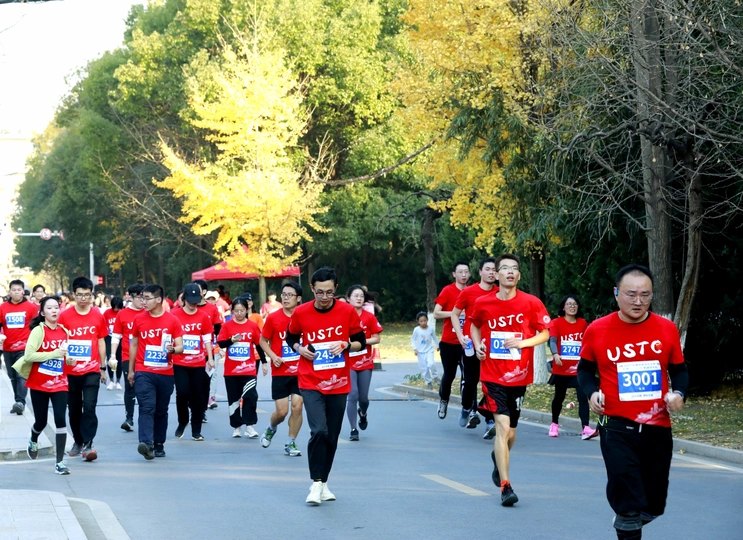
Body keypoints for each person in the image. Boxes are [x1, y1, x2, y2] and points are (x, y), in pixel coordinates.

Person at [577, 264, 687, 540]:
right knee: (628, 500)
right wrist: (592, 393)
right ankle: (626, 519)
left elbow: (679, 370)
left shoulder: (667, 329)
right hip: (616, 427)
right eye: (631, 294)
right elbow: (584, 370)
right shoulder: (597, 329)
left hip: (657, 428)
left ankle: (630, 518)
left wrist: (679, 394)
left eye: (645, 295)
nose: (638, 301)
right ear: (616, 293)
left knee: (653, 503)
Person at [470, 254, 551, 506]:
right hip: (492, 374)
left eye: (514, 268)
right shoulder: (483, 302)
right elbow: (474, 325)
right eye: (504, 268)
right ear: (496, 274)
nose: (510, 272)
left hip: (518, 376)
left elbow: (545, 333)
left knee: (512, 434)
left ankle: (499, 458)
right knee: (503, 428)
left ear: (519, 275)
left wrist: (522, 343)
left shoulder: (531, 302)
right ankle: (506, 486)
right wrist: (477, 346)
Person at [285, 267, 366, 505]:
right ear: (312, 289)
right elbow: (291, 337)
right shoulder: (301, 312)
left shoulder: (347, 311)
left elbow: (361, 341)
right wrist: (300, 349)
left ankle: (323, 482)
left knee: (331, 435)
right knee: (319, 430)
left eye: (329, 292)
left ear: (336, 289)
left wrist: (346, 345)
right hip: (310, 380)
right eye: (319, 292)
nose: (324, 297)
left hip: (338, 383)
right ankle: (316, 482)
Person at [13, 296, 70, 474]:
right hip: (39, 384)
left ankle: (60, 462)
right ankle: (34, 437)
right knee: (41, 421)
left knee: (60, 419)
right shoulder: (38, 331)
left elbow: (65, 356)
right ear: (43, 312)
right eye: (50, 308)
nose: (54, 311)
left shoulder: (64, 331)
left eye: (56, 307)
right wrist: (53, 353)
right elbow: (29, 356)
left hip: (60, 383)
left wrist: (71, 360)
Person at [127, 284, 184, 460]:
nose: (143, 302)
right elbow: (134, 344)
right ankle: (146, 443)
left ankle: (159, 443)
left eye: (147, 298)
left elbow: (181, 346)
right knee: (146, 406)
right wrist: (131, 370)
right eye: (142, 298)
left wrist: (173, 349)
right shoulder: (139, 319)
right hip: (144, 370)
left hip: (165, 372)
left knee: (161, 410)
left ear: (159, 299)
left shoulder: (172, 320)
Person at [59, 276, 108, 462]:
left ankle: (88, 443)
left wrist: (102, 367)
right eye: (79, 295)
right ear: (74, 294)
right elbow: (59, 341)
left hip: (91, 370)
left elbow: (101, 341)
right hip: (70, 371)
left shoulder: (97, 315)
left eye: (87, 295)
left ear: (92, 295)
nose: (83, 298)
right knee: (74, 409)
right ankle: (78, 441)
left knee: (89, 407)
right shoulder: (64, 316)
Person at [450, 257, 499, 429]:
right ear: (480, 272)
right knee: (471, 381)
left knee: (491, 383)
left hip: (492, 345)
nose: (491, 273)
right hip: (471, 343)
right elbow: (454, 314)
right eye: (488, 269)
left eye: (494, 270)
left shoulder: (500, 293)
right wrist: (460, 336)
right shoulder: (468, 292)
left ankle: (490, 420)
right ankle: (466, 407)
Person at [259, 282, 305, 455]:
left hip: (301, 371)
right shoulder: (273, 318)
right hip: (281, 370)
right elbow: (263, 341)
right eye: (283, 294)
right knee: (282, 412)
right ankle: (271, 428)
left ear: (298, 298)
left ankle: (290, 442)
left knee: (297, 407)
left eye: (290, 295)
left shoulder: (305, 316)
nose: (285, 298)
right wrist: (273, 356)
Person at [547, 294, 596, 439]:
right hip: (561, 367)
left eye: (574, 304)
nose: (572, 307)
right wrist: (555, 354)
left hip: (578, 368)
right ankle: (554, 424)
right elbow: (553, 340)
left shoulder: (582, 323)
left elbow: (587, 341)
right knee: (559, 397)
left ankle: (586, 427)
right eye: (569, 304)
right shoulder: (556, 323)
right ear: (563, 307)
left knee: (582, 397)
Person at [216, 297, 266, 438]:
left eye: (242, 310)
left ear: (246, 310)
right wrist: (232, 340)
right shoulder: (227, 326)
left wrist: (264, 362)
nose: (239, 313)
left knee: (250, 396)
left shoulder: (252, 326)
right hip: (231, 371)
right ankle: (236, 426)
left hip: (248, 369)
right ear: (232, 311)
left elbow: (259, 345)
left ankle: (250, 426)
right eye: (236, 311)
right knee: (234, 399)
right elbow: (221, 343)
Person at [171, 283, 215, 441]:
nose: (193, 304)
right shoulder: (174, 315)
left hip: (198, 363)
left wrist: (210, 358)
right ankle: (182, 422)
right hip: (179, 362)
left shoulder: (203, 316)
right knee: (182, 392)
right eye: (190, 300)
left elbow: (207, 338)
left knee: (198, 395)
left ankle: (196, 429)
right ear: (184, 299)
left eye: (196, 300)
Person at [345, 285, 383, 442]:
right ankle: (353, 429)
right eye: (355, 296)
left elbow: (377, 338)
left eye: (361, 296)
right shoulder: (343, 317)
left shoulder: (369, 317)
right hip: (348, 362)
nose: (359, 298)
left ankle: (363, 413)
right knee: (352, 394)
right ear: (348, 299)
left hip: (365, 362)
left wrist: (360, 342)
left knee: (363, 399)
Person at [433, 261, 470, 419]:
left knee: (468, 377)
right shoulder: (448, 290)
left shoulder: (472, 291)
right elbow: (436, 313)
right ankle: (443, 400)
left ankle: (467, 407)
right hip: (449, 341)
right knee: (449, 375)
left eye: (466, 272)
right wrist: (455, 313)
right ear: (454, 274)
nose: (463, 275)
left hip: (467, 342)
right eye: (460, 272)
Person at [0, 279, 40, 415]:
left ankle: (20, 402)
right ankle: (18, 401)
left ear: (23, 291)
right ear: (10, 292)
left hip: (25, 348)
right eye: (14, 290)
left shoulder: (31, 307)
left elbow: (37, 327)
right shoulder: (3, 307)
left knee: (21, 375)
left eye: (19, 290)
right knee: (12, 377)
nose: (16, 292)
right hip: (8, 347)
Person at [110, 284, 145, 432]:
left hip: (146, 358)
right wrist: (112, 355)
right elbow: (116, 336)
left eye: (145, 297)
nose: (142, 300)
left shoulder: (149, 313)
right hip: (127, 357)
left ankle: (145, 418)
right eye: (139, 297)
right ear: (131, 297)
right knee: (130, 387)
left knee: (145, 389)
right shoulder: (122, 314)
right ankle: (129, 418)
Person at [194, 279, 222, 413]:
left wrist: (217, 346)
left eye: (197, 289)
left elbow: (218, 329)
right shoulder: (189, 307)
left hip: (207, 351)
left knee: (205, 380)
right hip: (190, 352)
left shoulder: (212, 309)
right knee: (192, 383)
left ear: (204, 292)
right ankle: (193, 406)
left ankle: (202, 410)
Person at [411, 312, 439, 390]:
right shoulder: (416, 330)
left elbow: (434, 337)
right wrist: (415, 349)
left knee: (431, 364)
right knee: (424, 369)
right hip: (420, 352)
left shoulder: (431, 329)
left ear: (427, 320)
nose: (423, 322)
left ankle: (436, 377)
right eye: (421, 321)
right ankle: (429, 382)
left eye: (424, 320)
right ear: (418, 321)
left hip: (429, 350)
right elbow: (413, 339)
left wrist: (438, 346)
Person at [104, 297, 124, 390]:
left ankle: (118, 381)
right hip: (109, 337)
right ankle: (111, 380)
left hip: (121, 338)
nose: (116, 309)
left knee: (119, 359)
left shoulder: (123, 313)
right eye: (114, 307)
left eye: (118, 307)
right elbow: (103, 324)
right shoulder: (107, 313)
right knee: (110, 358)